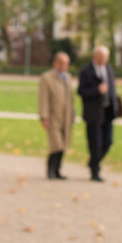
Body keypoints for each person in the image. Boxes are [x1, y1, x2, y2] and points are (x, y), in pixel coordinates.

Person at [78, 45, 118, 182]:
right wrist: (97, 90)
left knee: (108, 141)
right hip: (93, 113)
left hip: (107, 112)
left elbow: (112, 91)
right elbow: (81, 92)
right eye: (100, 58)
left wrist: (115, 107)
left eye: (105, 58)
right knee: (95, 143)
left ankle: (93, 162)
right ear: (94, 57)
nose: (102, 60)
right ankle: (95, 171)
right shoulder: (86, 71)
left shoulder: (109, 69)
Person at [38, 51, 75, 180]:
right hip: (53, 116)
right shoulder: (46, 78)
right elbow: (43, 98)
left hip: (66, 116)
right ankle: (50, 170)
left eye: (66, 63)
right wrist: (44, 116)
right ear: (55, 63)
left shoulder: (68, 77)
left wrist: (72, 114)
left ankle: (58, 170)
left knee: (64, 145)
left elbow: (71, 98)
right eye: (61, 63)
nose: (63, 66)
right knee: (56, 144)